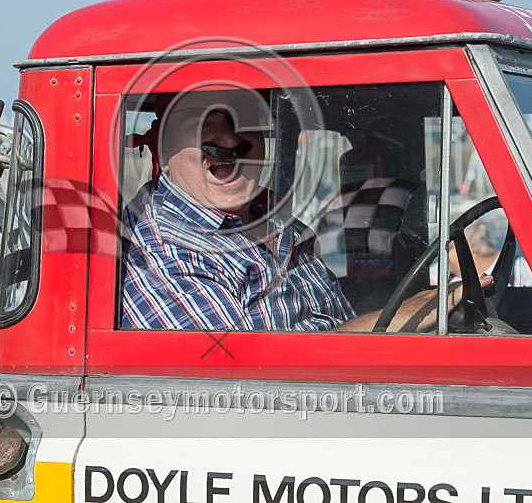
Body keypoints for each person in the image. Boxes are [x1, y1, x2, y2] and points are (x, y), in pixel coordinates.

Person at [121, 91, 490, 332]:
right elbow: (249, 387)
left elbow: (333, 323)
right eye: (201, 127)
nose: (231, 141)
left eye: (244, 124)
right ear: (163, 153)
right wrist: (401, 316)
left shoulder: (277, 220)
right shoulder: (161, 251)